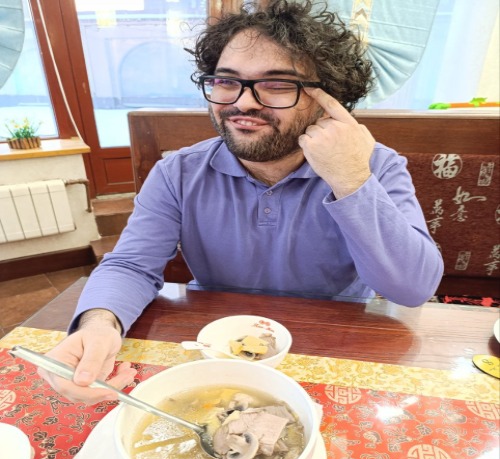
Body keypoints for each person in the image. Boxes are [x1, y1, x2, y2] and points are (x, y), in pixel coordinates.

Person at [39, 0, 443, 403]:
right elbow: (131, 265)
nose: (243, 102)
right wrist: (98, 325)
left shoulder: (373, 166)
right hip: (217, 346)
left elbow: (411, 290)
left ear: (329, 101)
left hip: (336, 345)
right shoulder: (178, 173)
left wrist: (350, 179)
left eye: (278, 84)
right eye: (226, 81)